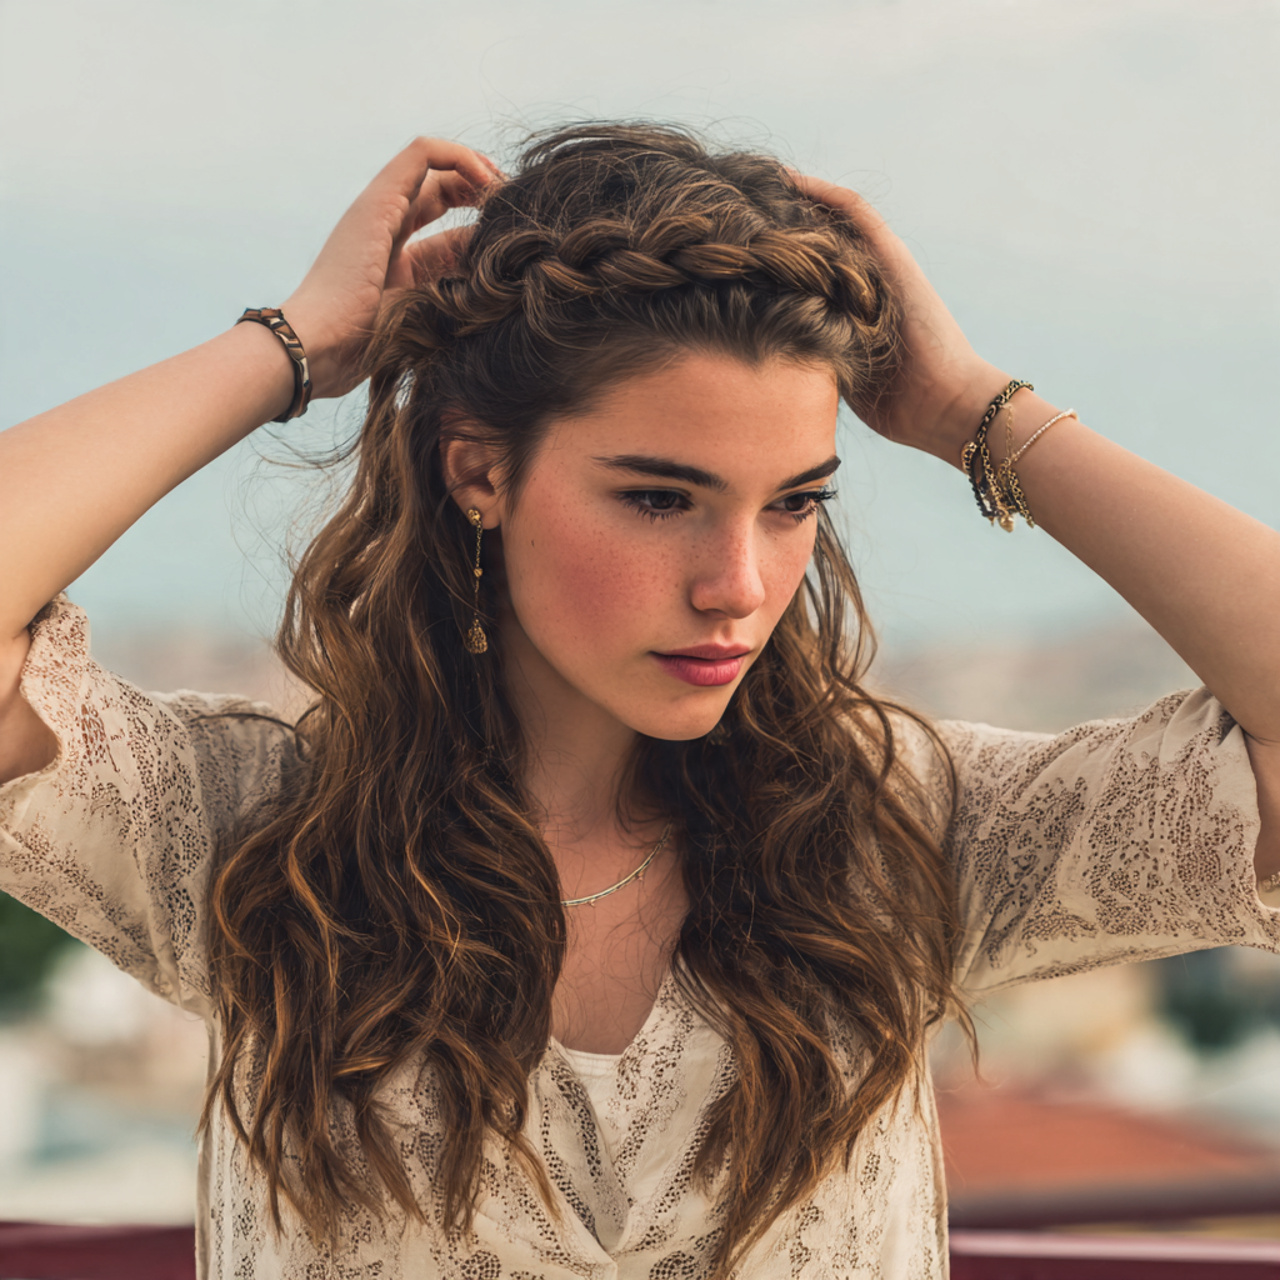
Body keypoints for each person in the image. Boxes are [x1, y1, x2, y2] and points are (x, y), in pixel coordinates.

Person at [1, 122, 1278, 1280]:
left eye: (792, 503)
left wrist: (969, 412)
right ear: (478, 474)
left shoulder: (906, 828)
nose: (738, 584)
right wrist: (294, 347)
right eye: (659, 497)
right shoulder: (249, 830)